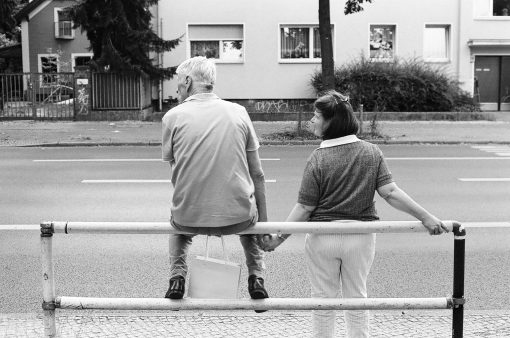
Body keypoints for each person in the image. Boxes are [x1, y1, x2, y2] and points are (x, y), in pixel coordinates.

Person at [261, 90, 448, 337]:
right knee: (358, 298)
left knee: (322, 300)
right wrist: (426, 217)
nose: (312, 121)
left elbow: (305, 207)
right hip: (360, 237)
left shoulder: (318, 158)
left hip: (322, 237)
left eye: (316, 116)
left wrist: (278, 238)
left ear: (331, 121)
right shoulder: (371, 152)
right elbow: (390, 192)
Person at [161, 56, 269, 306]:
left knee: (176, 227)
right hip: (237, 218)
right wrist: (264, 224)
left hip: (189, 217)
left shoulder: (172, 117)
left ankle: (177, 276)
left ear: (188, 81)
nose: (176, 88)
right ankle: (256, 276)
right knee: (248, 216)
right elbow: (258, 174)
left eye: (178, 82)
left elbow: (176, 169)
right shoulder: (239, 113)